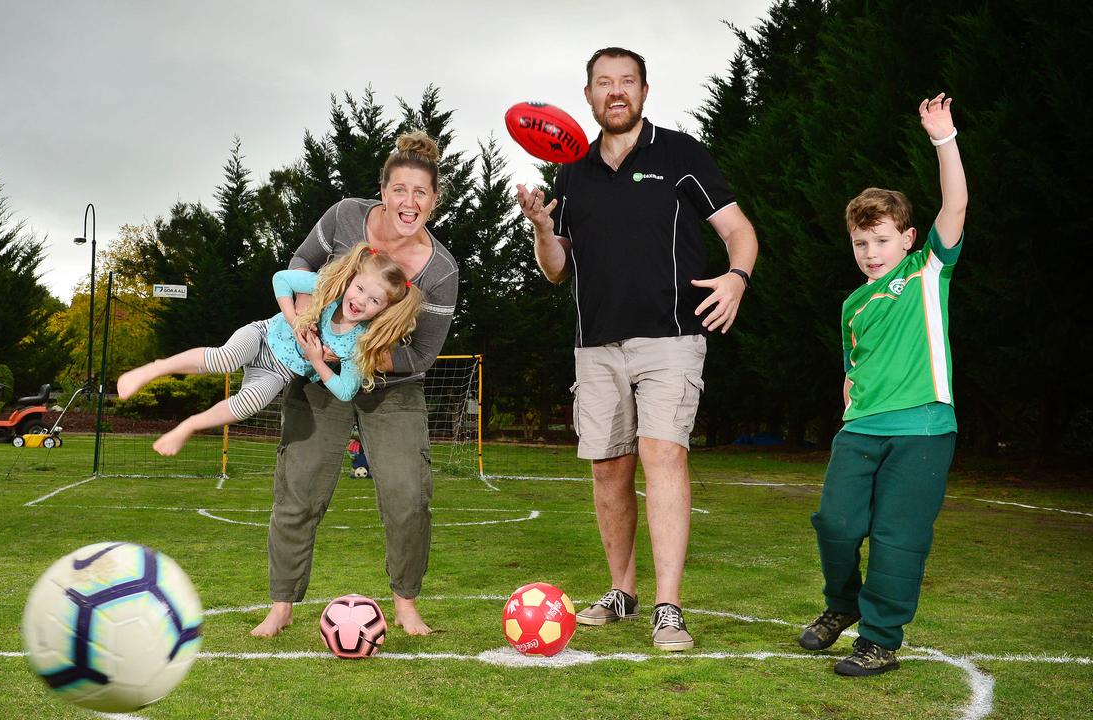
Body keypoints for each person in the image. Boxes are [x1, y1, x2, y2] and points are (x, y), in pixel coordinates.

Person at [516, 47, 758, 651]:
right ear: (588, 95)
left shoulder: (681, 153)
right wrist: (543, 228)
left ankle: (668, 608)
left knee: (664, 456)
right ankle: (621, 591)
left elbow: (738, 230)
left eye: (627, 82)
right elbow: (555, 270)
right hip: (595, 346)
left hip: (671, 338)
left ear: (645, 92)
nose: (615, 91)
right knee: (607, 470)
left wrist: (737, 277)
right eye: (604, 83)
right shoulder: (570, 172)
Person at [251, 131, 458, 638]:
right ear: (383, 190)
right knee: (298, 491)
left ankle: (406, 604)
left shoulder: (442, 270)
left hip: (390, 387)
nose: (409, 203)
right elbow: (299, 265)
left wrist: (355, 352)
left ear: (434, 201)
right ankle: (281, 606)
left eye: (421, 194)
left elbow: (421, 355)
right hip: (318, 381)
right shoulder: (345, 216)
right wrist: (304, 322)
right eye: (400, 190)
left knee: (409, 495)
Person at [797, 93, 966, 676]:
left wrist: (943, 139)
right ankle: (840, 605)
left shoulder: (928, 271)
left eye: (883, 240)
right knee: (835, 523)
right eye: (861, 244)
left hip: (922, 428)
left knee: (898, 538)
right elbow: (854, 361)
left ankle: (880, 638)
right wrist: (850, 385)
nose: (872, 253)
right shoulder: (851, 303)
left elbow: (957, 204)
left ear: (908, 238)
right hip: (861, 430)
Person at [115, 243, 423, 457]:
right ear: (352, 279)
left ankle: (188, 426)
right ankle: (154, 368)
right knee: (226, 358)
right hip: (263, 335)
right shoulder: (327, 289)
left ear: (384, 310)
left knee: (252, 403)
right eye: (360, 289)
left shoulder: (360, 342)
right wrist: (295, 321)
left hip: (277, 371)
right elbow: (281, 279)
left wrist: (317, 361)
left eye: (374, 301)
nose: (361, 301)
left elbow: (345, 390)